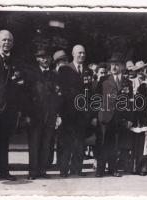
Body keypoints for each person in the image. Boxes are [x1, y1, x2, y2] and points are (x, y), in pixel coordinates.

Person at [23, 49, 62, 180]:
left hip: (49, 115)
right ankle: (33, 172)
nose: (45, 60)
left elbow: (57, 96)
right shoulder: (31, 75)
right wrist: (27, 114)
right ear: (37, 59)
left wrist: (56, 115)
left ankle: (42, 170)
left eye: (47, 57)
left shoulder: (54, 75)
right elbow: (27, 96)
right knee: (34, 144)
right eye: (42, 57)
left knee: (46, 144)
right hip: (35, 115)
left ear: (51, 59)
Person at [95, 54, 133, 177]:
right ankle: (100, 170)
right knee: (102, 143)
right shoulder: (103, 80)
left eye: (117, 64)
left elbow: (129, 102)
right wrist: (95, 116)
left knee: (115, 144)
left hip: (119, 117)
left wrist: (128, 118)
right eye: (112, 64)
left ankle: (113, 169)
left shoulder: (127, 82)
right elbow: (96, 99)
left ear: (122, 66)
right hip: (105, 117)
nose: (114, 67)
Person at [57, 44, 91, 177]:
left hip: (82, 113)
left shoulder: (88, 71)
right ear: (73, 54)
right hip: (68, 113)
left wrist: (89, 112)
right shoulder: (65, 70)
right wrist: (60, 114)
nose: (82, 55)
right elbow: (61, 93)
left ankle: (77, 169)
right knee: (66, 143)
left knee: (80, 143)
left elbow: (90, 94)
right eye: (79, 53)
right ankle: (64, 169)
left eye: (83, 53)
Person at [0, 30, 21, 181]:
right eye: (4, 40)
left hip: (8, 109)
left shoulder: (14, 61)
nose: (7, 43)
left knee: (4, 141)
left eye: (9, 40)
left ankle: (4, 171)